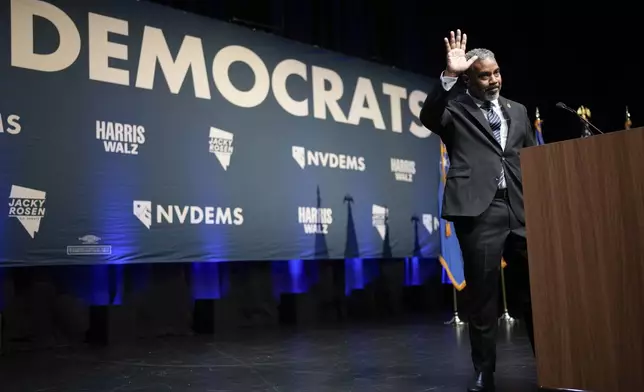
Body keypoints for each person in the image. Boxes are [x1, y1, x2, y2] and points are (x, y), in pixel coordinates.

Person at [420, 30, 536, 392]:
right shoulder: (454, 109)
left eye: (497, 72)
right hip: (479, 213)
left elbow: (531, 159)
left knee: (536, 294)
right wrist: (449, 76)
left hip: (520, 210)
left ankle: (552, 362)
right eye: (485, 75)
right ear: (470, 78)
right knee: (482, 300)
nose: (494, 80)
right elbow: (428, 115)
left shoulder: (516, 110)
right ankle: (485, 372)